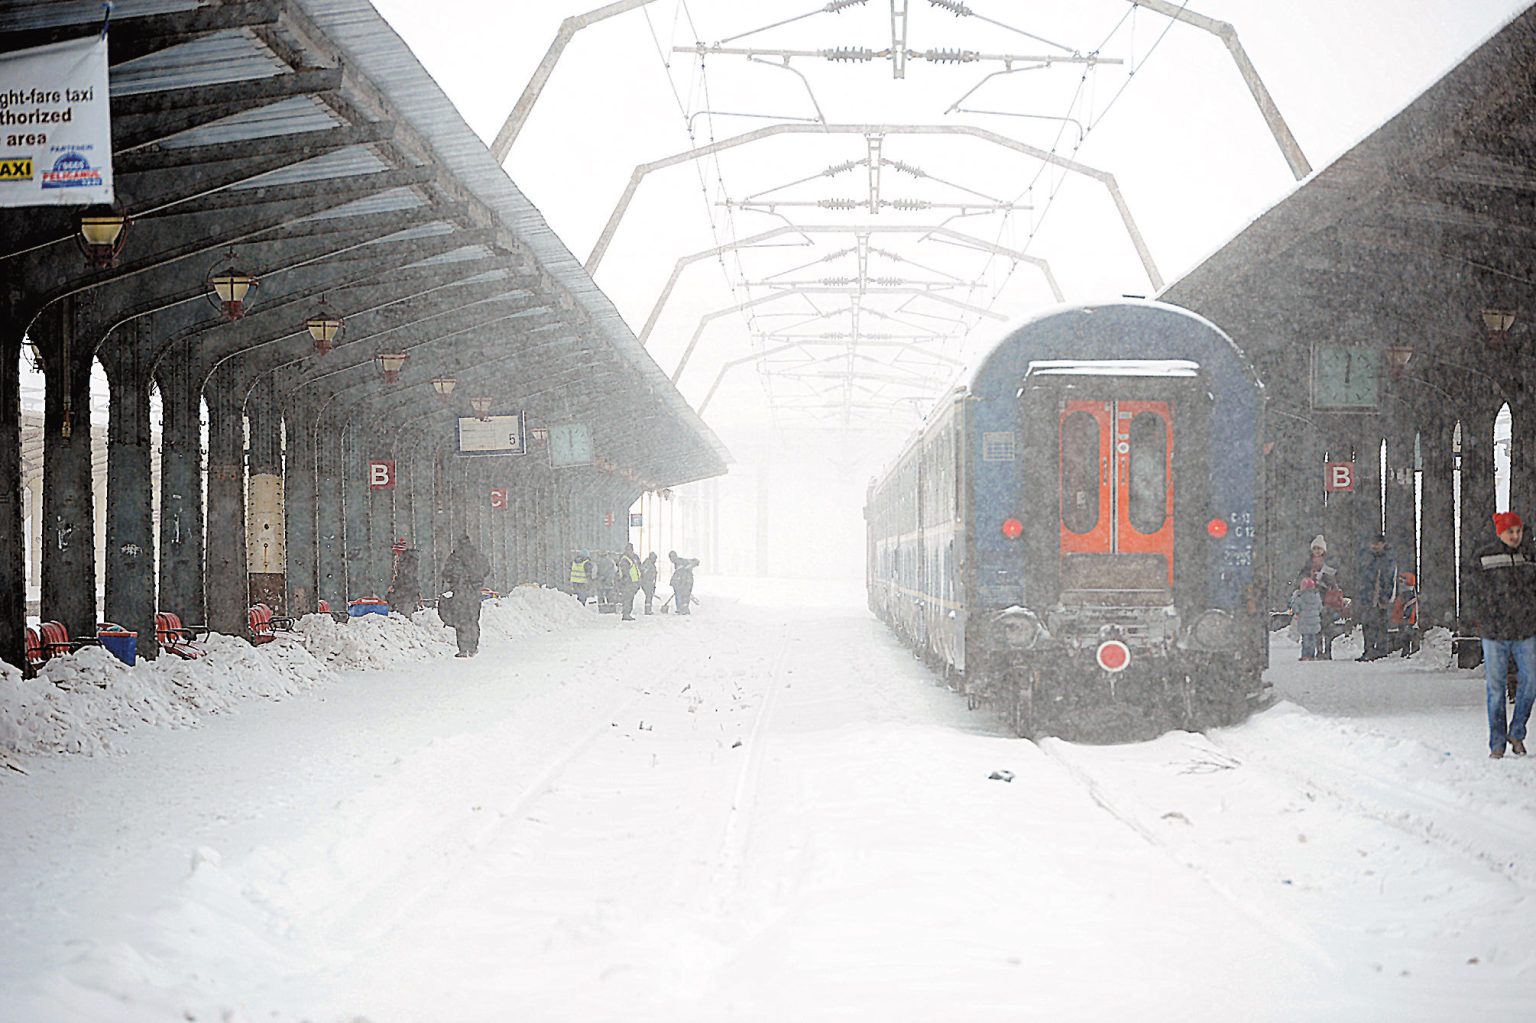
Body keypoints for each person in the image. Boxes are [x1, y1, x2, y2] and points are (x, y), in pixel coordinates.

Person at [1463, 511, 1536, 758]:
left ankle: (1517, 731)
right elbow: (1471, 590)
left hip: (1525, 630)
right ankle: (1497, 743)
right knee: (1495, 688)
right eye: (1510, 532)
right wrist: (1483, 617)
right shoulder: (1483, 556)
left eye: (1518, 531)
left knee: (1531, 681)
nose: (1515, 536)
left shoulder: (1529, 556)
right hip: (1494, 632)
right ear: (1500, 532)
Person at [440, 533, 490, 657]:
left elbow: (446, 573)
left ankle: (463, 649)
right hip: (473, 592)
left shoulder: (455, 556)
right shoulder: (477, 555)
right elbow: (486, 569)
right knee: (473, 619)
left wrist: (453, 580)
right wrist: (477, 579)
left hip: (459, 593)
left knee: (461, 620)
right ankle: (473, 646)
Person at [1298, 535, 1343, 659]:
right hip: (1312, 598)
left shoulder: (1330, 563)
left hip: (1327, 598)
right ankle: (1318, 649)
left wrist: (1324, 579)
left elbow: (1335, 580)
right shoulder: (1308, 563)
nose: (1317, 551)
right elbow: (1301, 577)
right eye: (1315, 548)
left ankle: (1327, 650)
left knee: (1327, 626)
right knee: (1315, 626)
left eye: (1319, 548)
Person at [1355, 533, 1397, 661]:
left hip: (1378, 597)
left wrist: (1385, 596)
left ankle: (1379, 650)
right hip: (1368, 597)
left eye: (1377, 543)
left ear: (1383, 544)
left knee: (1378, 624)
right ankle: (1369, 649)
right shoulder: (1369, 559)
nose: (1374, 546)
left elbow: (1388, 580)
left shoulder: (1387, 560)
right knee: (1368, 625)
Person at [1289, 576, 1324, 661]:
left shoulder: (1301, 596)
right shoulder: (1316, 596)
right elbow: (1320, 607)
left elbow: (1295, 606)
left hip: (1304, 620)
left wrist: (1296, 611)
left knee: (1305, 639)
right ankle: (1311, 654)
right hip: (1314, 621)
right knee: (1312, 638)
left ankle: (1305, 654)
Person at [1388, 571, 1419, 657]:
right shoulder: (1405, 594)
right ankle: (1405, 651)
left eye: (1401, 582)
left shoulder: (1407, 595)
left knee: (1405, 636)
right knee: (1404, 635)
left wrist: (1405, 617)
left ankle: (1406, 651)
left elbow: (1408, 607)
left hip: (1406, 620)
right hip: (1403, 620)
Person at [386, 539, 421, 616]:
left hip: (406, 591)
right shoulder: (408, 560)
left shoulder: (406, 561)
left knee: (404, 612)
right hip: (408, 590)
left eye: (397, 552)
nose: (396, 555)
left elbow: (405, 577)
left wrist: (395, 586)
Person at [668, 550, 699, 615]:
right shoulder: (678, 563)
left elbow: (681, 573)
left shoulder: (680, 562)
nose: (671, 560)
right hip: (684, 581)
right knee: (682, 595)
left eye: (671, 558)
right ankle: (682, 609)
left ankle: (683, 609)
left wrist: (679, 582)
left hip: (687, 581)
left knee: (684, 595)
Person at [616, 544, 642, 621]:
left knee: (630, 598)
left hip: (633, 583)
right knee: (627, 598)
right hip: (628, 583)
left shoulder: (632, 558)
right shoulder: (625, 559)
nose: (631, 552)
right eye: (630, 550)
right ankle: (626, 614)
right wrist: (628, 581)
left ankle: (627, 613)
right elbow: (625, 572)